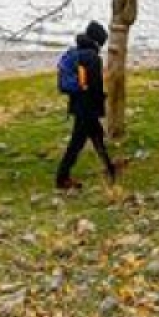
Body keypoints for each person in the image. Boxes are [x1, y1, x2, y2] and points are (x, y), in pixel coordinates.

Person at [57, 21, 117, 190]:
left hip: (78, 105)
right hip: (87, 108)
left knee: (96, 136)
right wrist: (101, 104)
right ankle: (62, 178)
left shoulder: (78, 52)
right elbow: (95, 87)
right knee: (78, 142)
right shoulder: (93, 58)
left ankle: (110, 169)